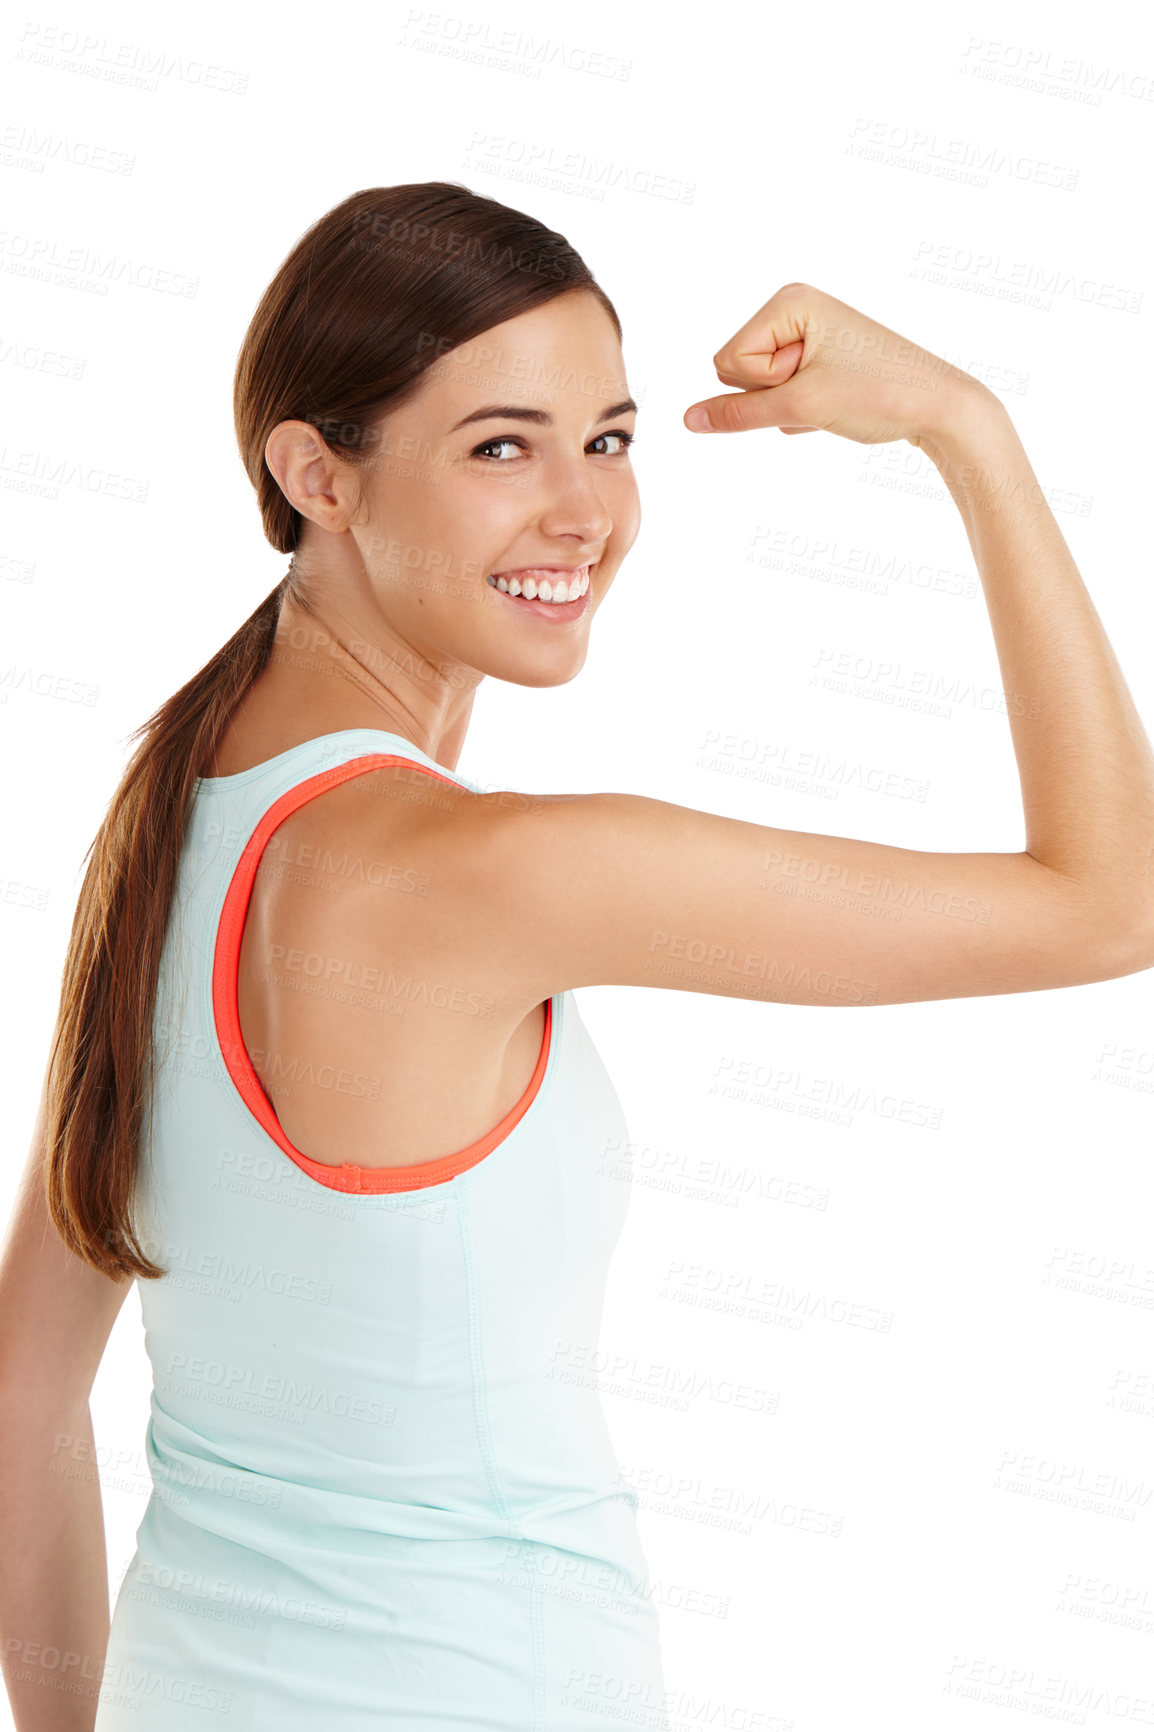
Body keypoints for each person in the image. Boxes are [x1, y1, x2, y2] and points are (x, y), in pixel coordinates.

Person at [2, 180, 1152, 1731]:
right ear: (315, 475)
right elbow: (1110, 901)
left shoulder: (164, 820)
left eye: (606, 438)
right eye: (500, 447)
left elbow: (21, 1396)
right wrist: (968, 431)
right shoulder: (493, 873)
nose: (582, 512)